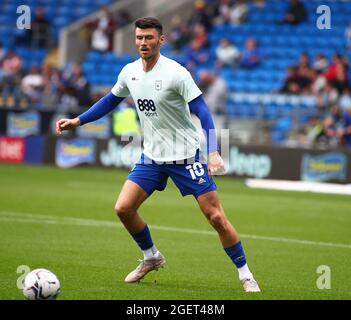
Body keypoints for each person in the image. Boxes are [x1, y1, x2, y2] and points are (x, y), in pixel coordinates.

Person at [56, 17, 260, 292]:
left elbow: (203, 111)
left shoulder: (177, 73)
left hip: (187, 155)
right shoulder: (129, 72)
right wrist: (77, 121)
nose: (143, 42)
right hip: (152, 156)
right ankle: (151, 256)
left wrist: (213, 152)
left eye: (149, 38)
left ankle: (245, 274)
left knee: (216, 217)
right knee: (123, 208)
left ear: (160, 40)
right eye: (139, 38)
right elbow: (109, 101)